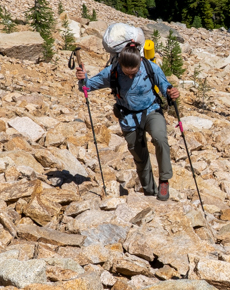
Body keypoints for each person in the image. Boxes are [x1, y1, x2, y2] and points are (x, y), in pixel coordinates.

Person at [76, 44, 180, 200]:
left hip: (151, 109)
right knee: (139, 155)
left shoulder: (150, 67)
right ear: (121, 65)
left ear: (140, 62)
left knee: (160, 137)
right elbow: (88, 87)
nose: (130, 77)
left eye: (134, 72)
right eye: (127, 73)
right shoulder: (112, 72)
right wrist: (83, 79)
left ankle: (164, 180)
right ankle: (149, 190)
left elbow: (165, 85)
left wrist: (171, 92)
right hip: (128, 117)